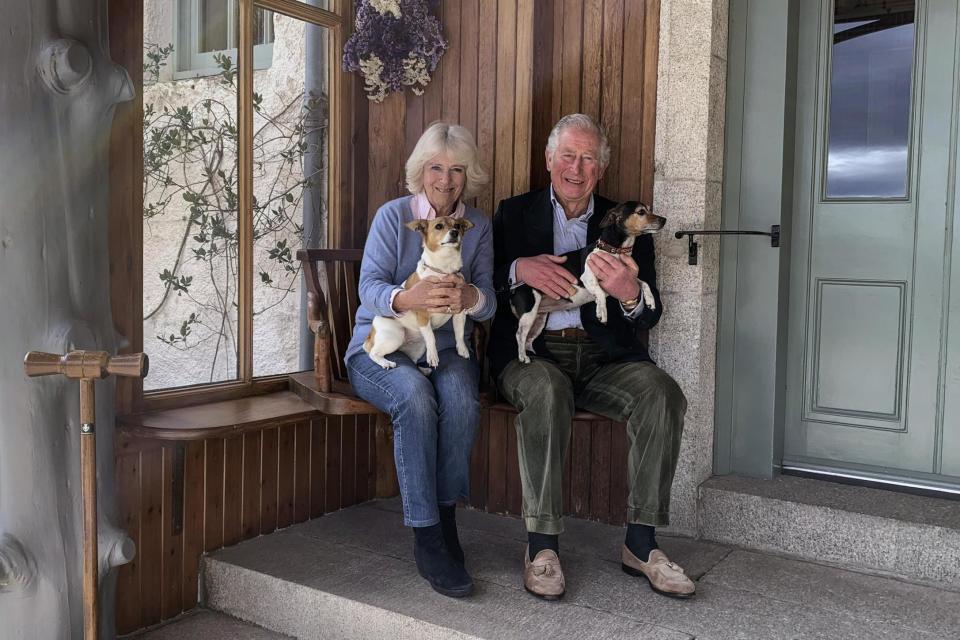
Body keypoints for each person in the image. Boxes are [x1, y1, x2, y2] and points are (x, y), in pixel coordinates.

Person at [488, 114, 693, 599]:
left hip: (605, 360)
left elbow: (650, 313)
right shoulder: (513, 213)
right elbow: (483, 281)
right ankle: (542, 547)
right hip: (533, 355)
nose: (575, 169)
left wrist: (628, 293)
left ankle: (641, 545)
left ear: (600, 169)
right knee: (545, 389)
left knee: (662, 394)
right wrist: (520, 267)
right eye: (567, 156)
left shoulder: (627, 223)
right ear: (548, 160)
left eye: (587, 159)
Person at [345, 122, 495, 598]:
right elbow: (368, 288)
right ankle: (427, 534)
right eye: (435, 167)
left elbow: (490, 302)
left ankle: (447, 517)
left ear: (467, 175)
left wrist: (470, 295)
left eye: (455, 169)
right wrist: (407, 297)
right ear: (420, 171)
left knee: (460, 398)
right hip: (381, 344)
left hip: (445, 349)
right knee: (413, 396)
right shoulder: (393, 218)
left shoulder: (480, 228)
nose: (445, 179)